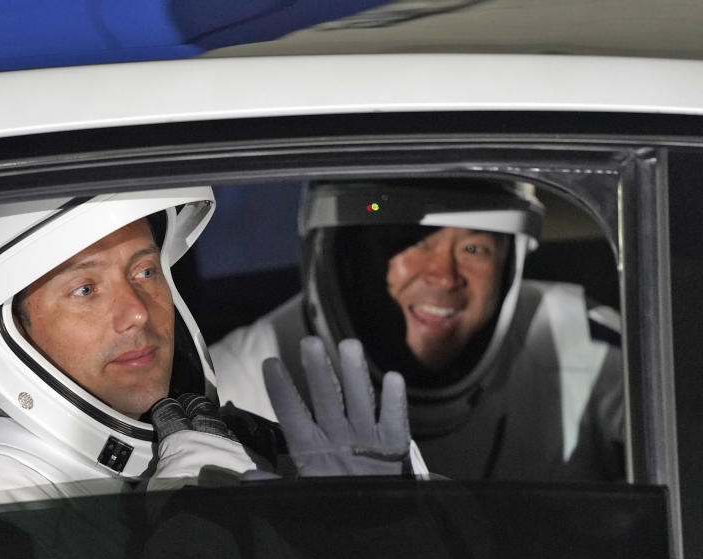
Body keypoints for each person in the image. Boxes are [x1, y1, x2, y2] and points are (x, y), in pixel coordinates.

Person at [0, 186, 427, 515]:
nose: (138, 311)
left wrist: (381, 540)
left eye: (146, 272)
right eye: (85, 289)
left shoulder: (232, 446)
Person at [210, 179, 625, 482]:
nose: (444, 277)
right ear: (347, 258)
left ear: (509, 266)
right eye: (414, 241)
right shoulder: (234, 382)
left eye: (474, 248)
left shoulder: (581, 341)